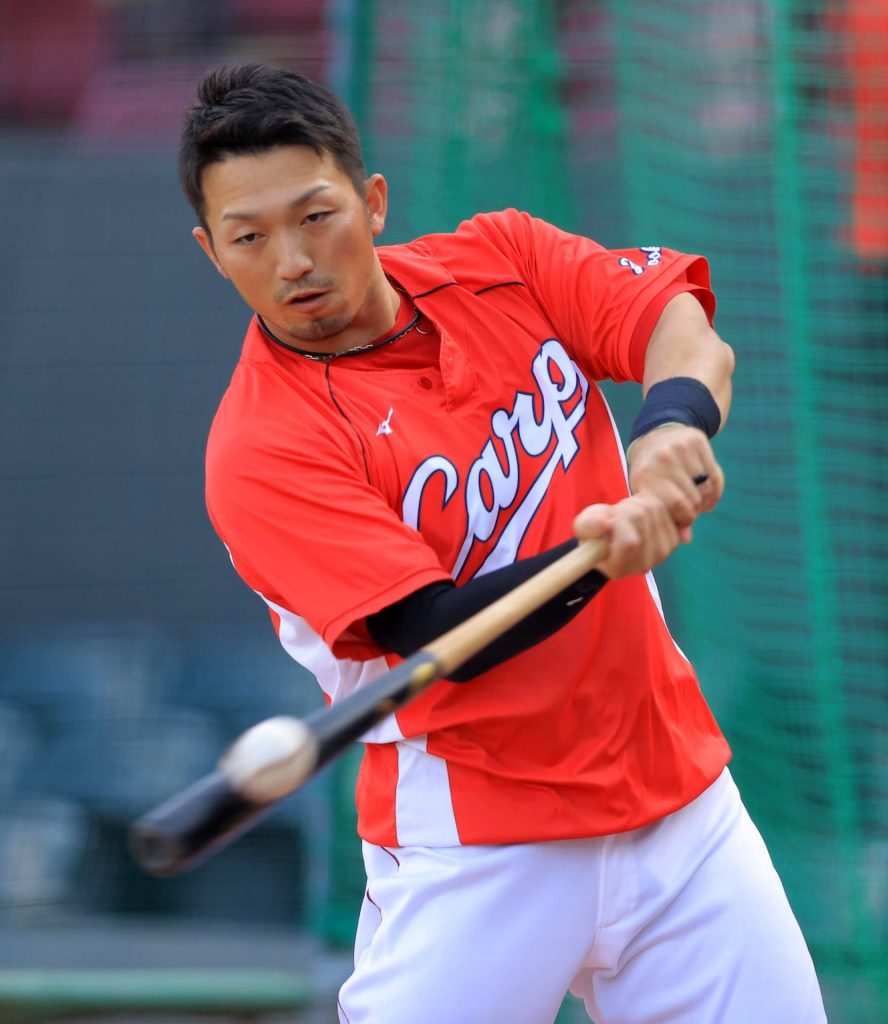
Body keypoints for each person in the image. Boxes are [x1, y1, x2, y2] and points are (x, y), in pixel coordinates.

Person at [178, 63, 826, 1024]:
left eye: (316, 216)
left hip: (677, 802)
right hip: (478, 844)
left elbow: (677, 328)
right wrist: (603, 551)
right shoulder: (261, 447)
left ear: (373, 201)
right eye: (250, 237)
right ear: (212, 253)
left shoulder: (503, 258)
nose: (292, 262)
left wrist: (673, 430)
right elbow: (435, 628)